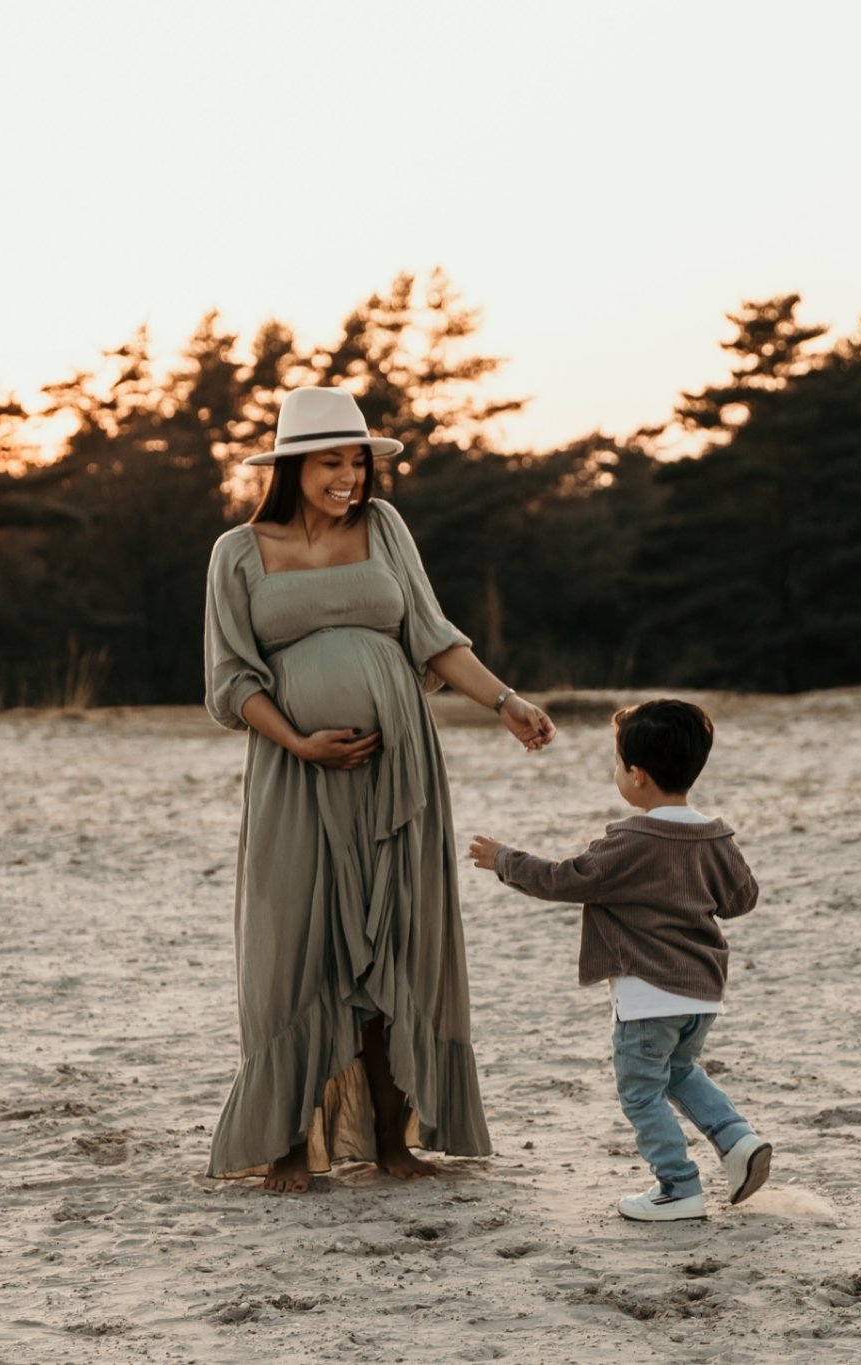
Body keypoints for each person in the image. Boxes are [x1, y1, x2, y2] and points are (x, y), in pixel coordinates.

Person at [203, 385, 556, 1193]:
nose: (350, 478)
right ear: (293, 465)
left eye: (359, 462)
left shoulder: (386, 527)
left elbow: (433, 637)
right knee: (295, 944)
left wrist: (505, 701)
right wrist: (299, 740)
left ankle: (394, 1138)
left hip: (400, 774)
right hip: (295, 775)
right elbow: (231, 678)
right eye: (333, 462)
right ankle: (288, 1144)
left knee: (399, 939)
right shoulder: (238, 552)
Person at [467, 699, 771, 1221]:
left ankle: (678, 1187)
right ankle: (738, 1141)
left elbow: (564, 880)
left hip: (648, 995)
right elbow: (741, 900)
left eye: (616, 763)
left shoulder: (630, 840)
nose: (616, 773)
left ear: (637, 775)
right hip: (702, 992)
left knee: (640, 1092)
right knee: (678, 1071)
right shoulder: (714, 834)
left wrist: (505, 860)